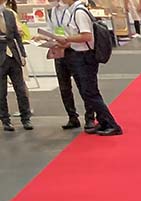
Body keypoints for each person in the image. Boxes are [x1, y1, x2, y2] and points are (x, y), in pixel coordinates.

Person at [45, 0, 120, 135]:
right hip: (78, 54)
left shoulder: (79, 12)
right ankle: (103, 122)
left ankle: (111, 124)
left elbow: (86, 36)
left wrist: (67, 39)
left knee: (90, 92)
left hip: (85, 56)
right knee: (88, 92)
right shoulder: (72, 11)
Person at [0, 0, 32, 132]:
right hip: (1, 56)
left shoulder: (9, 14)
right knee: (1, 92)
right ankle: (5, 120)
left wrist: (22, 54)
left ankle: (26, 118)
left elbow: (17, 36)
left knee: (21, 89)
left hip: (14, 56)